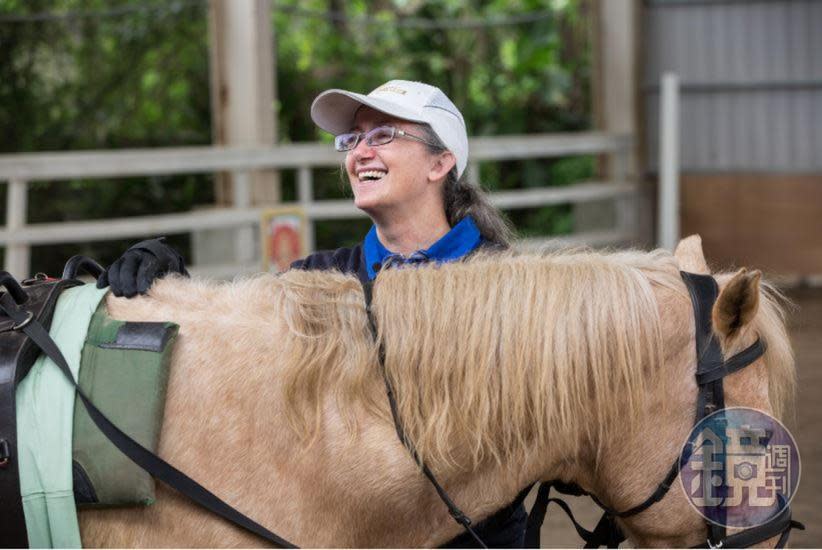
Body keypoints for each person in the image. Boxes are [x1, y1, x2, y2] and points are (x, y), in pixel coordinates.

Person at [97, 80, 525, 547]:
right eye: (352, 140)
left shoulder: (507, 286)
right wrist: (174, 282)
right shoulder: (321, 279)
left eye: (382, 135)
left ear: (440, 163)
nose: (359, 152)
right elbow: (242, 337)